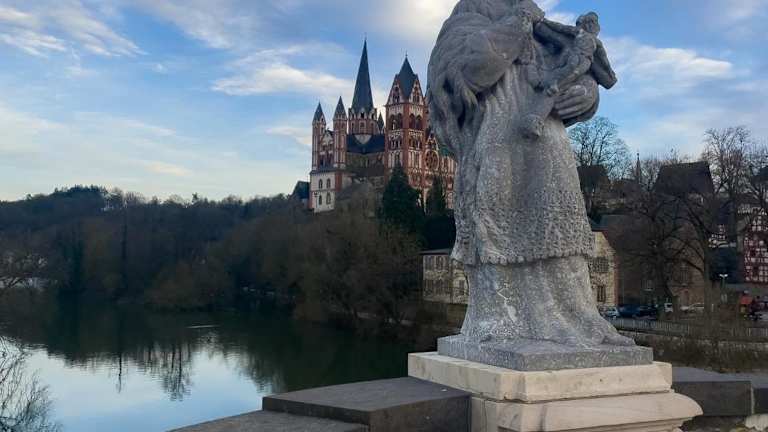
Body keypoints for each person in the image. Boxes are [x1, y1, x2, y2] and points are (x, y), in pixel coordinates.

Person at [519, 12, 616, 138]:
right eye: (591, 22)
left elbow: (604, 63)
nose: (595, 26)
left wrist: (609, 72)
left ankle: (537, 118)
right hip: (575, 60)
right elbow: (560, 28)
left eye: (595, 23)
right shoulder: (578, 33)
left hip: (582, 62)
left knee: (560, 82)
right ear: (585, 24)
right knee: (557, 82)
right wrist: (543, 21)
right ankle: (536, 117)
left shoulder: (596, 42)